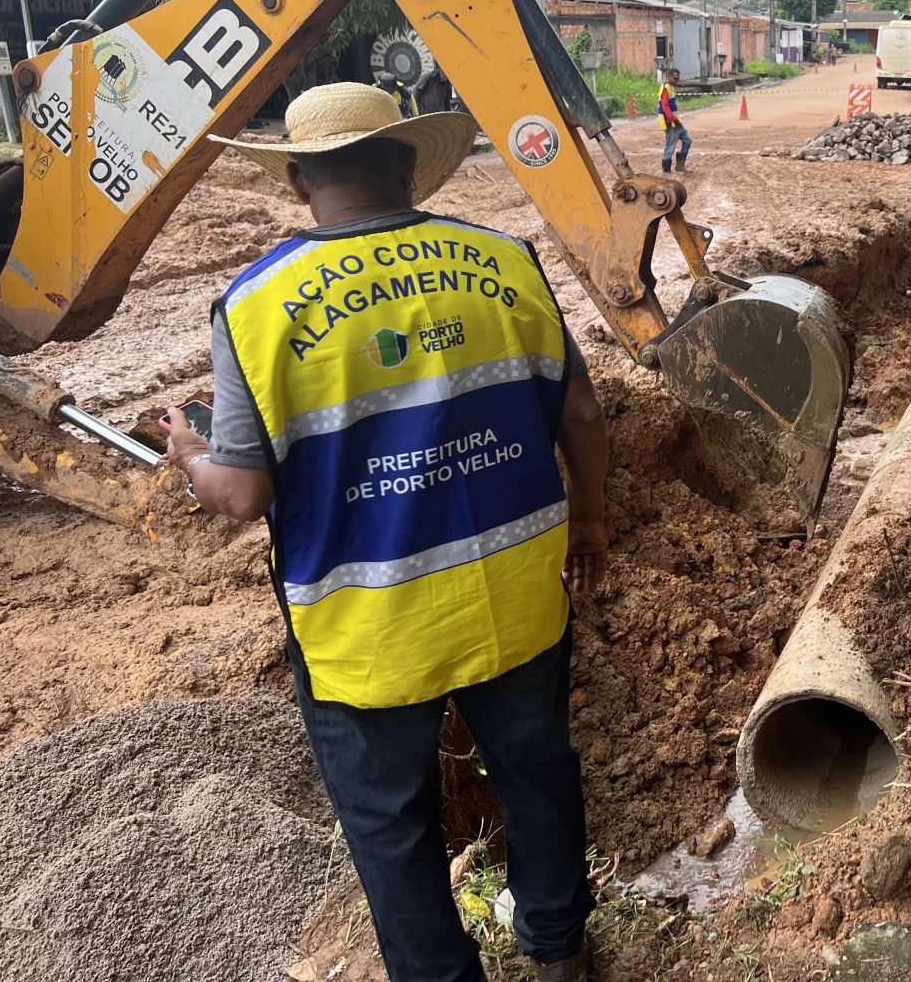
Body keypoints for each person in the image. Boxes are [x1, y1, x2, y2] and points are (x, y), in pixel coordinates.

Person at [164, 82, 608, 982]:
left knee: (390, 824)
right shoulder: (505, 258)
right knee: (536, 774)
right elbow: (586, 416)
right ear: (409, 164)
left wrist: (187, 453)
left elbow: (244, 494)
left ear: (297, 182)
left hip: (365, 629)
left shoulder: (254, 305)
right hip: (513, 596)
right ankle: (560, 956)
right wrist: (592, 521)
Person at [657, 67, 690, 174]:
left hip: (676, 122)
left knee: (687, 140)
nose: (677, 81)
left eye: (678, 79)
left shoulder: (671, 87)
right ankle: (666, 171)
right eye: (675, 78)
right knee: (670, 146)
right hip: (670, 123)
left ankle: (680, 165)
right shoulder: (665, 88)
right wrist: (672, 120)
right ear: (669, 77)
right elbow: (665, 106)